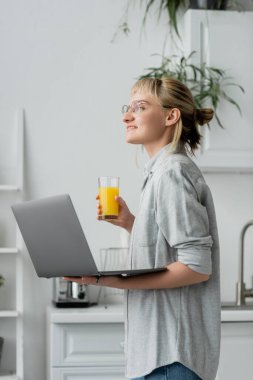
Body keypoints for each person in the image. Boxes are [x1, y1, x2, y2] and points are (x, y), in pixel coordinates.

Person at [65, 77, 221, 380]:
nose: (126, 116)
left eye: (140, 107)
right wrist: (131, 224)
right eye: (128, 107)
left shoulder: (172, 173)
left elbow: (197, 266)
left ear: (170, 116)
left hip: (168, 360)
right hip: (162, 357)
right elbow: (173, 250)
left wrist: (109, 280)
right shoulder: (162, 172)